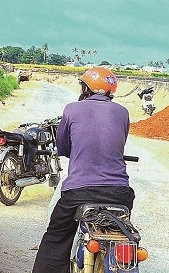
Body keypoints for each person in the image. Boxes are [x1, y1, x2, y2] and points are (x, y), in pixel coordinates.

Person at [32, 67, 135, 273]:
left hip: (79, 191)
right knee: (120, 233)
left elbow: (62, 147)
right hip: (120, 193)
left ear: (86, 88)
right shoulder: (122, 112)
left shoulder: (72, 109)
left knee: (56, 238)